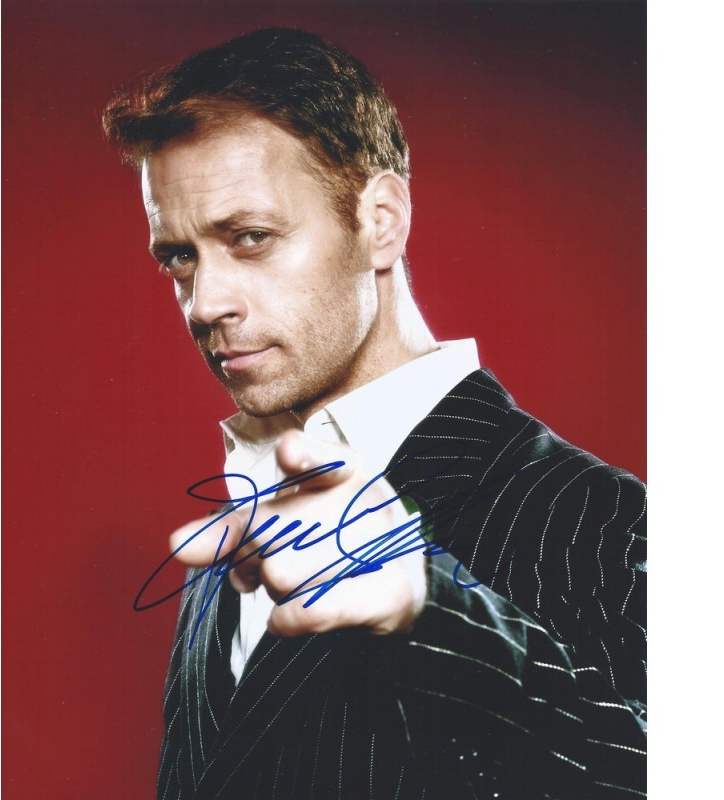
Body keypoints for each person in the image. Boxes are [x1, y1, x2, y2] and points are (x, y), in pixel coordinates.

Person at [103, 27, 646, 799]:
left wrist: (431, 606)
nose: (205, 302)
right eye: (180, 257)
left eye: (249, 238)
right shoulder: (243, 526)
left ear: (381, 220)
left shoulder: (595, 513)